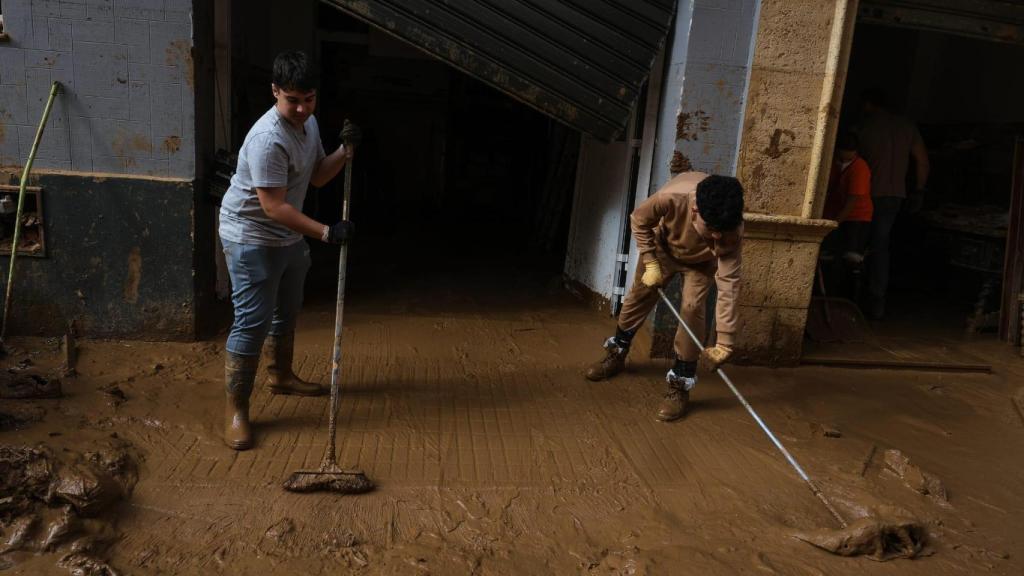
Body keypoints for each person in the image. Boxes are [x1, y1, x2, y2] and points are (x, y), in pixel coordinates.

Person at [218, 50, 359, 450]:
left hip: (288, 236)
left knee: (287, 309)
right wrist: (327, 232)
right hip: (250, 237)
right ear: (275, 91)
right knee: (252, 321)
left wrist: (343, 153)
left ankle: (280, 376)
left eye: (308, 99)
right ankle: (236, 411)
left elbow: (315, 178)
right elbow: (273, 206)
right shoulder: (268, 139)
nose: (300, 109)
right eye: (292, 100)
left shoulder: (308, 123)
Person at [585, 172, 744, 422]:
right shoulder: (672, 198)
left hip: (702, 264)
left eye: (722, 232)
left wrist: (725, 341)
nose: (716, 237)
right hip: (664, 248)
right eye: (711, 228)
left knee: (693, 308)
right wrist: (650, 260)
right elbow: (639, 219)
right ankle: (616, 353)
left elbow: (729, 284)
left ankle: (679, 385)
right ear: (694, 210)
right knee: (640, 294)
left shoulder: (730, 230)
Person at [856, 89, 929, 319]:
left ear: (869, 104)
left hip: (864, 194)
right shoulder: (908, 127)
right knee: (880, 248)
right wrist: (918, 191)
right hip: (895, 196)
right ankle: (877, 300)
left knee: (856, 245)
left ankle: (852, 298)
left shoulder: (864, 127)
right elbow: (923, 162)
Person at [821, 131, 873, 295]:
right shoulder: (832, 163)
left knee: (851, 259)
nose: (846, 158)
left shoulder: (860, 167)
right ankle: (829, 294)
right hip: (834, 214)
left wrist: (836, 223)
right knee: (826, 258)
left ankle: (849, 297)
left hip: (856, 217)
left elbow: (853, 200)